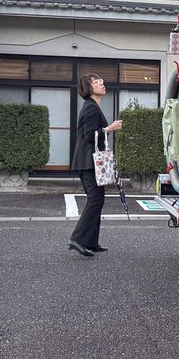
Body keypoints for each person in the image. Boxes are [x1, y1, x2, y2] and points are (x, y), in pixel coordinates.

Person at [68, 73, 122, 257]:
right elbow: (90, 135)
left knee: (98, 200)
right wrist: (110, 128)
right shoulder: (91, 108)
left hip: (90, 162)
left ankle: (91, 241)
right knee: (95, 200)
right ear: (89, 88)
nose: (102, 84)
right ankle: (78, 239)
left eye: (102, 81)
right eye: (98, 82)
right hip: (87, 162)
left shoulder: (93, 106)